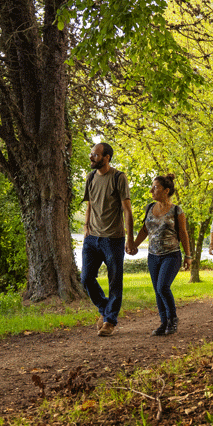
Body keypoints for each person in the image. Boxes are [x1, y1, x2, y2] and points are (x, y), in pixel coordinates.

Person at [82, 142, 136, 337]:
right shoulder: (90, 178)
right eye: (91, 154)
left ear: (107, 158)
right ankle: (105, 310)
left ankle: (110, 321)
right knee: (86, 278)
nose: (91, 157)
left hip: (113, 239)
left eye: (95, 155)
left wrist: (130, 239)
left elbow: (127, 210)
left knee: (115, 281)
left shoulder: (119, 177)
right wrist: (86, 227)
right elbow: (89, 205)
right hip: (92, 238)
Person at [131, 174, 192, 336]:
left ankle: (173, 319)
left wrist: (188, 256)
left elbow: (183, 233)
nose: (152, 190)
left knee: (162, 287)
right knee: (157, 290)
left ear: (166, 190)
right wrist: (133, 245)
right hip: (153, 256)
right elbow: (145, 230)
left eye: (155, 187)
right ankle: (164, 322)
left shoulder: (176, 210)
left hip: (171, 255)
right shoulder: (150, 207)